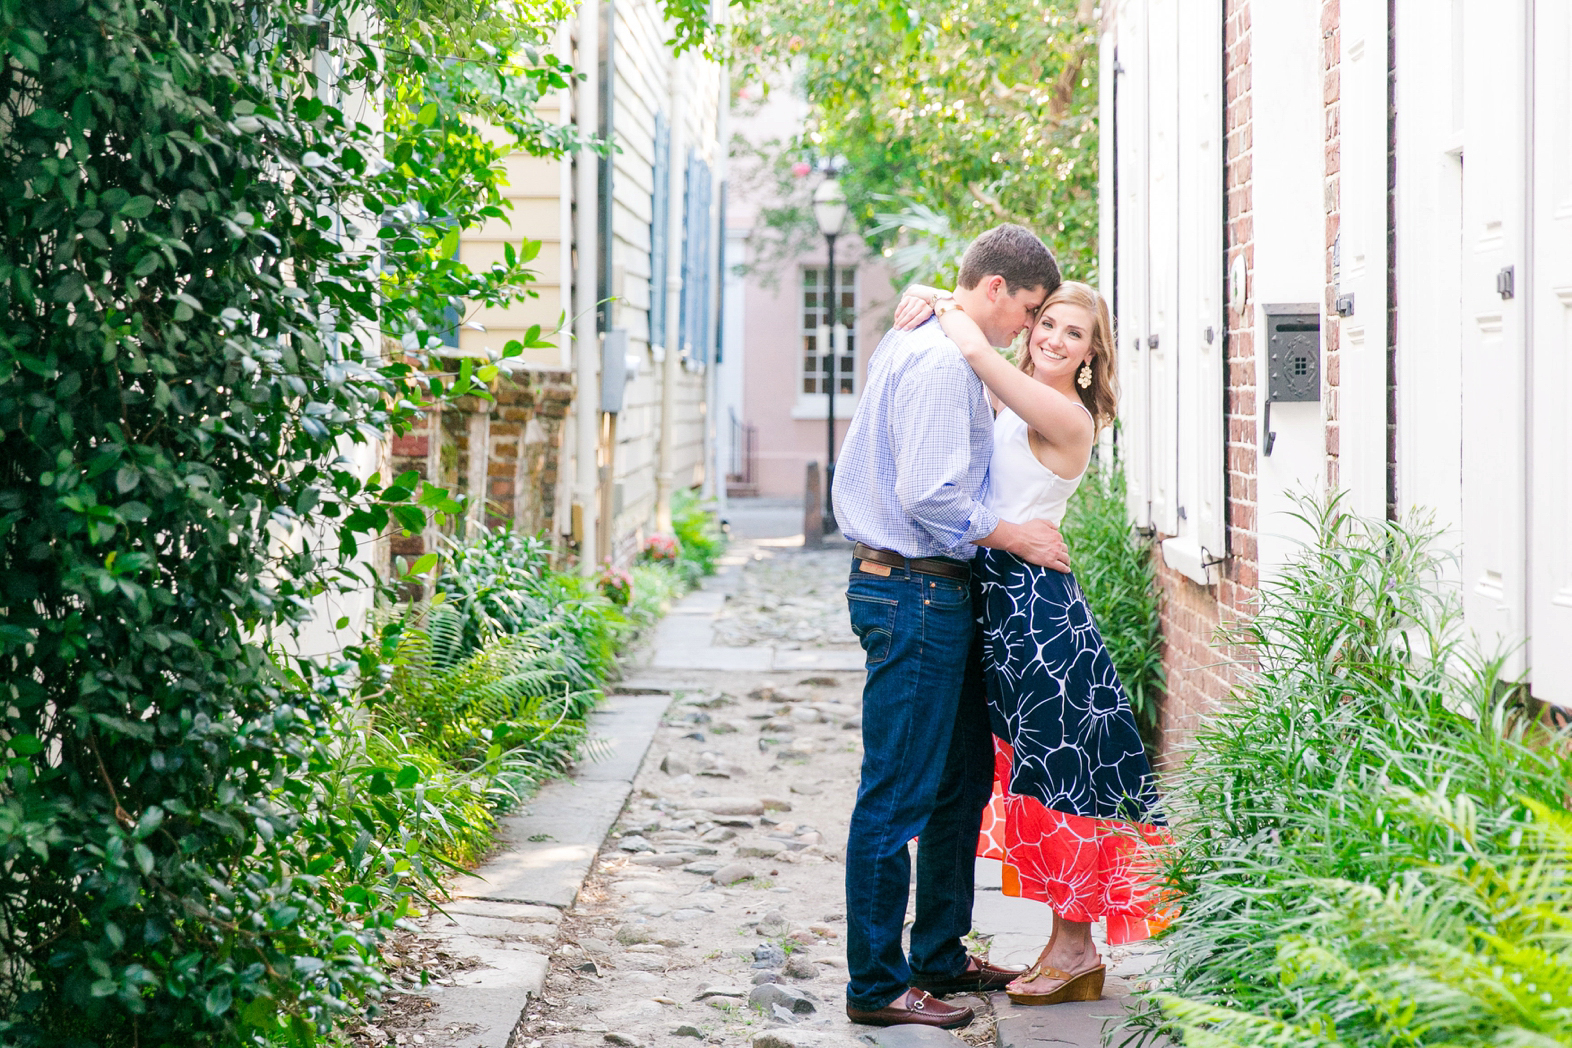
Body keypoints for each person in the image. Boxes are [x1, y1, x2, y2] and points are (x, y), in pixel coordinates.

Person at [891, 279, 1167, 1006]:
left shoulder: (1066, 417)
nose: (1052, 338)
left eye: (1073, 333)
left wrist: (948, 305)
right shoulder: (1010, 400)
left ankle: (1076, 948)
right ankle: (1052, 945)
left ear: (1089, 356)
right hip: (994, 610)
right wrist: (932, 292)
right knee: (1022, 782)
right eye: (1046, 322)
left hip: (1041, 624)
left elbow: (980, 352)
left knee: (1063, 778)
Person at [832, 225, 1070, 1030]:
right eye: (1028, 311)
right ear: (996, 288)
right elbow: (933, 495)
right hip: (912, 594)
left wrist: (936, 298)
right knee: (897, 793)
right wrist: (1019, 536)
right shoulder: (938, 359)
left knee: (961, 783)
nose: (1028, 332)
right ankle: (877, 984)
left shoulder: (934, 332)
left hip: (934, 593)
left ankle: (936, 955)